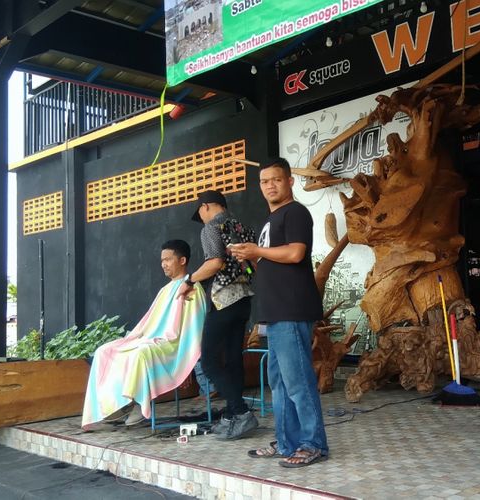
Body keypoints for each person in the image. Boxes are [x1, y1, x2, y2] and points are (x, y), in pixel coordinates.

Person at [230, 158, 328, 468]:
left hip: (292, 309)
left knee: (297, 380)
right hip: (275, 312)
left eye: (276, 179)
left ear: (290, 182)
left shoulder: (295, 212)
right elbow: (270, 263)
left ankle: (313, 444)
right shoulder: (270, 220)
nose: (270, 185)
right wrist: (249, 257)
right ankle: (288, 441)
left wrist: (256, 251)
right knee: (281, 382)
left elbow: (296, 253)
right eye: (264, 181)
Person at [81, 240, 205, 429]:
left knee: (140, 354)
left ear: (182, 260)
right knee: (104, 351)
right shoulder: (165, 289)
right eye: (162, 260)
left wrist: (187, 357)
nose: (163, 264)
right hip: (151, 338)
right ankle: (114, 406)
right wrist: (137, 337)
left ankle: (138, 405)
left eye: (168, 260)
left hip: (174, 345)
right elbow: (149, 323)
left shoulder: (192, 287)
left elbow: (192, 328)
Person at [177, 190, 258, 440]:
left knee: (209, 361)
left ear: (207, 207)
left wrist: (189, 280)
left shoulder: (211, 227)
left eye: (200, 212)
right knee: (233, 358)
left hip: (224, 300)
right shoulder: (243, 226)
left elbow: (215, 263)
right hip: (245, 299)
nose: (200, 218)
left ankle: (242, 412)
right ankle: (235, 415)